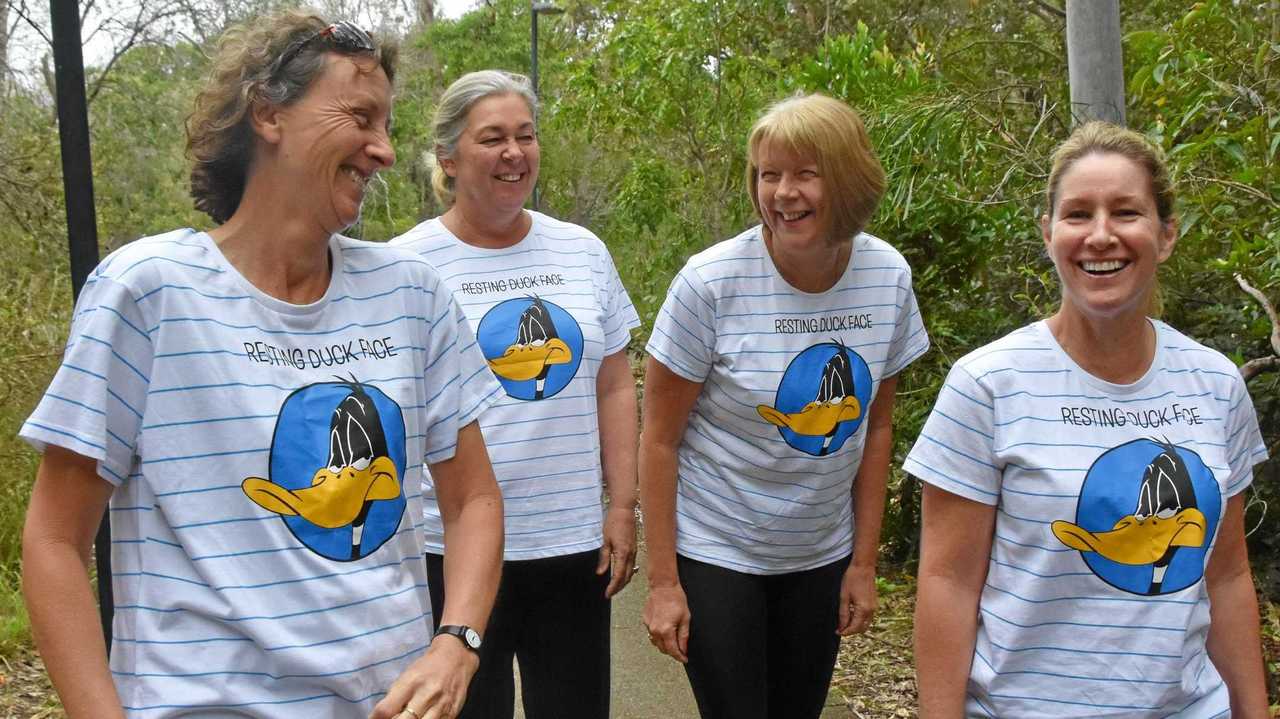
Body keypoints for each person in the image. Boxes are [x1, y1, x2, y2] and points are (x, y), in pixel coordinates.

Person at [20, 11, 504, 718]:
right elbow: (56, 538)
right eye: (362, 117)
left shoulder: (412, 293)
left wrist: (456, 641)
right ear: (268, 114)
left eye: (387, 125)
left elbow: (473, 500)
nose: (385, 151)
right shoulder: (147, 292)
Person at [907, 121, 1270, 717]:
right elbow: (947, 583)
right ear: (1049, 233)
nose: (1101, 236)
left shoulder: (1216, 384)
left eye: (1126, 212)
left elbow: (1227, 577)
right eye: (1078, 214)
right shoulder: (986, 385)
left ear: (1167, 234)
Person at [640, 93, 930, 719]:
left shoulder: (889, 277)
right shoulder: (710, 283)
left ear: (847, 179)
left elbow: (876, 429)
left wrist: (863, 562)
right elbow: (658, 438)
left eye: (805, 173)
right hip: (719, 545)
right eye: (769, 174)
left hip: (821, 551)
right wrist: (663, 582)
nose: (782, 193)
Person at [391, 70, 640, 719]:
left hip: (570, 543)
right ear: (448, 157)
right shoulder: (405, 267)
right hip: (452, 553)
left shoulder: (581, 250)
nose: (514, 153)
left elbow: (614, 382)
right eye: (492, 138)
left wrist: (623, 505)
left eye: (525, 136)